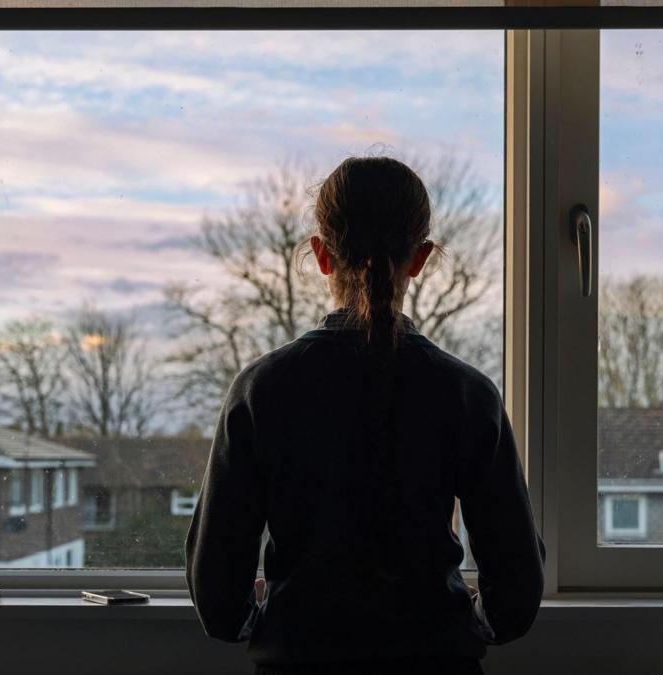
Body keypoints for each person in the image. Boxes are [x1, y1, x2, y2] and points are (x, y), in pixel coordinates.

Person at [185, 156, 545, 675]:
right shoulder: (465, 394)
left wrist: (269, 622)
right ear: (420, 258)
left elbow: (218, 599)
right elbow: (515, 595)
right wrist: (464, 623)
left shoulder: (263, 390)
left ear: (321, 255)